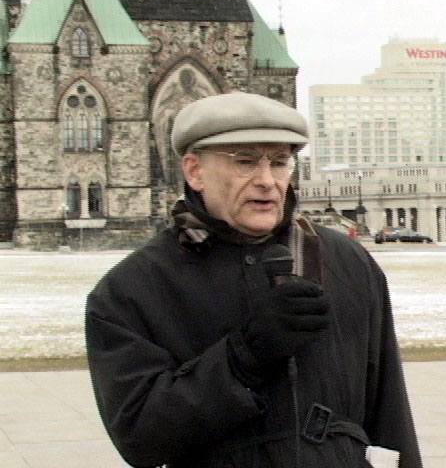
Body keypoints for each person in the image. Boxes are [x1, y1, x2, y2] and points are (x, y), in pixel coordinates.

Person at [85, 92, 422, 468]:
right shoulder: (133, 288)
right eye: (245, 162)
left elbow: (390, 417)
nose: (267, 181)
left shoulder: (347, 262)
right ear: (195, 171)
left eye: (279, 162)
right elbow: (140, 437)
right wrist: (243, 358)